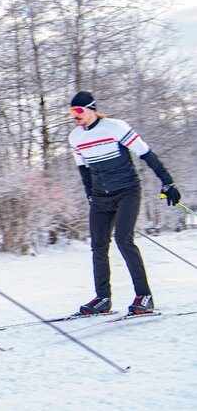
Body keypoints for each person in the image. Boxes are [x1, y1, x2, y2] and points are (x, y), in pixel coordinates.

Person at [67, 91, 182, 316]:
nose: (75, 116)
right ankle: (103, 299)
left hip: (127, 191)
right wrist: (90, 194)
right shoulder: (75, 137)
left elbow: (146, 154)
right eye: (72, 112)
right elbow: (83, 170)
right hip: (101, 197)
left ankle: (144, 296)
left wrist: (167, 183)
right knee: (98, 245)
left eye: (79, 111)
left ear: (91, 109)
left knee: (123, 239)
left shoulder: (115, 127)